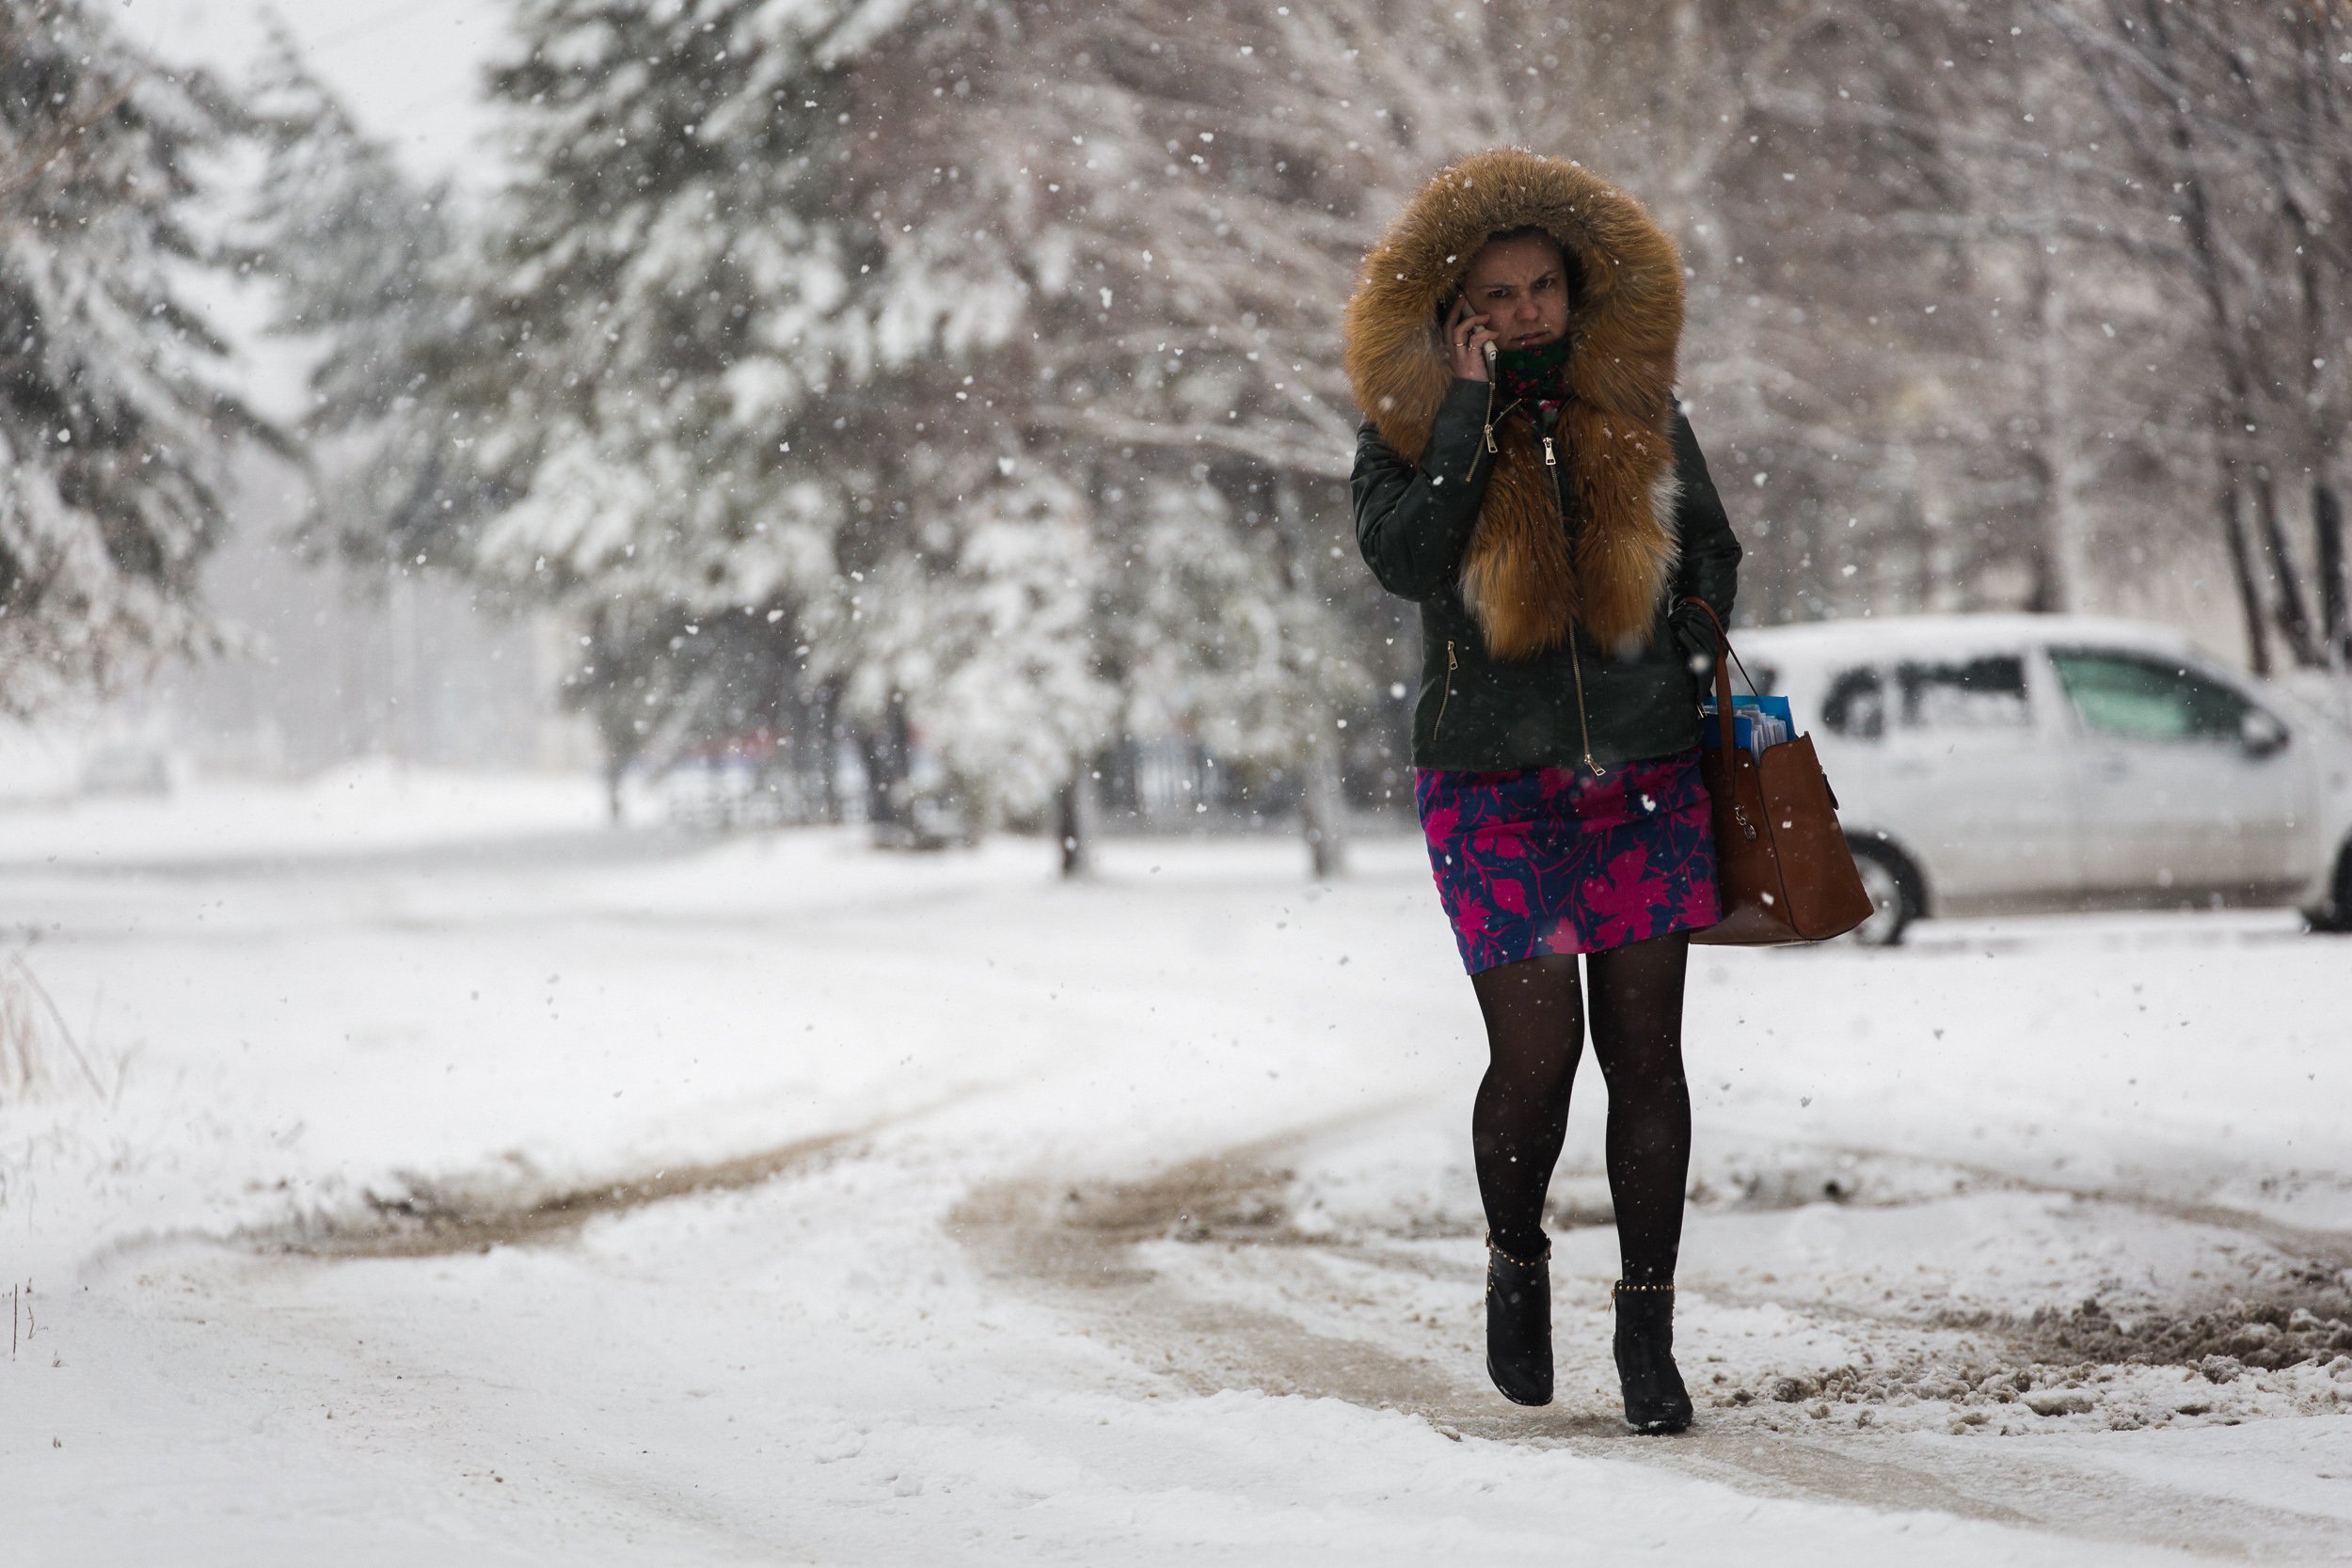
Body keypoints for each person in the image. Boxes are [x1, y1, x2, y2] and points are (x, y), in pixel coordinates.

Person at [1343, 150, 1740, 1433]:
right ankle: (1518, 1258)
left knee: (1648, 1060)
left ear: (1573, 293)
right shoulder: (1405, 426)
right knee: (1538, 1060)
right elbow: (1404, 559)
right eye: (1495, 296)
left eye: (1541, 290)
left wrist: (1683, 643)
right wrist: (1465, 417)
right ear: (1455, 310)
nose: (1521, 314)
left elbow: (1712, 544)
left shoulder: (1633, 405)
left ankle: (1647, 1334)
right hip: (1492, 783)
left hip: (1642, 773)